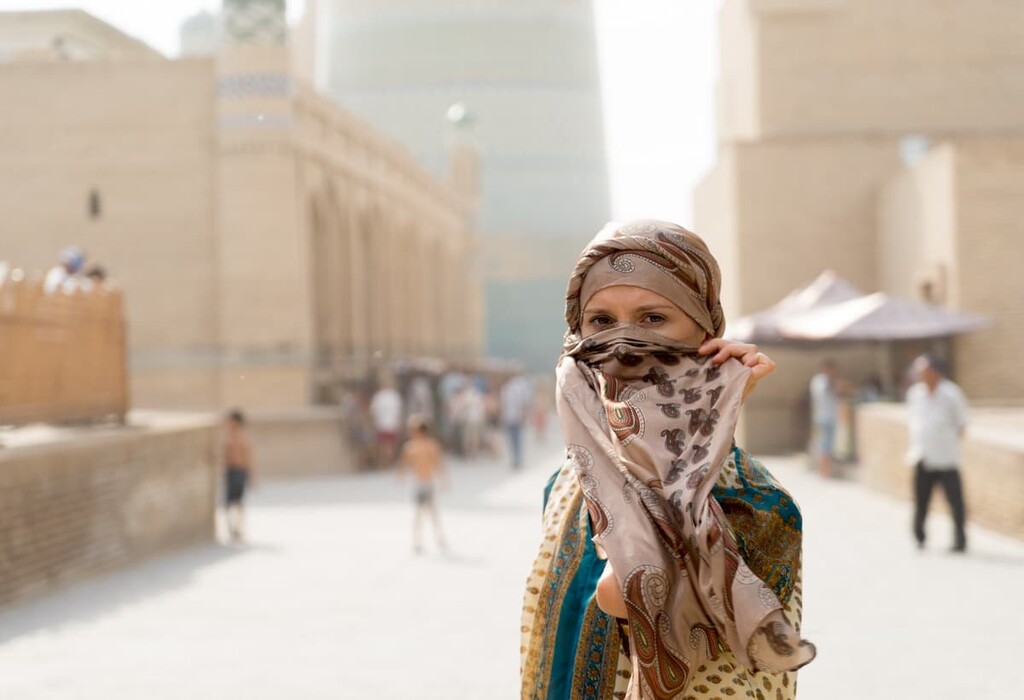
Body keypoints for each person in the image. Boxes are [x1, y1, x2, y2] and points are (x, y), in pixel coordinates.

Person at [521, 220, 815, 700]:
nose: (623, 343)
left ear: (705, 330)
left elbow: (628, 595)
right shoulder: (567, 483)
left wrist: (709, 419)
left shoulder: (756, 503)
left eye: (653, 319)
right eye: (600, 321)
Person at [906, 354, 969, 553]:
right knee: (921, 501)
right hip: (922, 455)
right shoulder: (915, 394)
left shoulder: (951, 394)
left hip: (946, 457)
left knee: (955, 502)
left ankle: (960, 539)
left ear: (935, 372)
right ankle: (919, 537)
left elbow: (961, 424)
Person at [397, 416, 449, 554]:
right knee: (418, 513)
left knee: (432, 512)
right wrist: (401, 477)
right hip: (418, 484)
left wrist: (443, 480)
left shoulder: (431, 446)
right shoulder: (409, 447)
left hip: (428, 483)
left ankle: (439, 537)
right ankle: (417, 541)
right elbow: (404, 464)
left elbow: (438, 464)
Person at [223, 409, 254, 542]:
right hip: (230, 471)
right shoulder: (228, 437)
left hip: (239, 471)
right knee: (228, 503)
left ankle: (239, 529)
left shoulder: (242, 438)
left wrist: (251, 478)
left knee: (238, 502)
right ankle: (231, 529)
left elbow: (248, 459)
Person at [808, 359, 840, 477]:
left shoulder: (818, 381)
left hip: (824, 416)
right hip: (825, 417)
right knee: (825, 444)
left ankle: (823, 470)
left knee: (823, 443)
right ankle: (824, 471)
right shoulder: (823, 381)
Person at [500, 373, 533, 469]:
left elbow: (521, 403)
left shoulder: (514, 389)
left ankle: (517, 459)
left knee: (516, 439)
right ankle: (515, 459)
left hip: (515, 417)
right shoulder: (506, 389)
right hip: (510, 417)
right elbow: (504, 405)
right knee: (513, 439)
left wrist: (522, 414)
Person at [370, 379, 403, 467]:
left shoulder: (378, 397)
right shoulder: (394, 395)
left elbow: (373, 411)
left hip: (382, 424)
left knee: (384, 445)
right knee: (390, 445)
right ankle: (389, 461)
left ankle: (386, 462)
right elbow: (399, 411)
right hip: (392, 423)